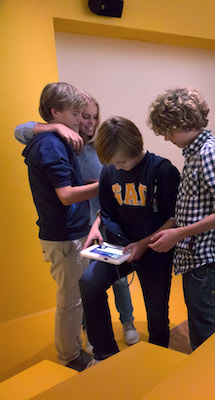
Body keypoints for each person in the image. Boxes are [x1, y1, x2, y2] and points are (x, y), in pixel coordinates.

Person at [14, 92, 140, 350]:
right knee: (85, 286)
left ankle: (128, 323)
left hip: (104, 222)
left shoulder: (100, 146)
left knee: (116, 278)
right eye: (84, 116)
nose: (90, 122)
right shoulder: (60, 143)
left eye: (95, 117)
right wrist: (56, 126)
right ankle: (88, 333)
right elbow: (20, 130)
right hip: (80, 226)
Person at [80, 116, 180, 366]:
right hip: (119, 248)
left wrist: (144, 243)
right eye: (113, 162)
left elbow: (176, 217)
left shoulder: (163, 170)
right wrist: (96, 227)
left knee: (157, 311)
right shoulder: (110, 171)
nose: (118, 166)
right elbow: (107, 210)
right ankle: (104, 353)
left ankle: (158, 358)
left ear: (136, 147)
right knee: (89, 283)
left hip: (155, 250)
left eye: (122, 161)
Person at [147, 87, 215, 350]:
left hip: (204, 258)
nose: (165, 137)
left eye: (168, 130)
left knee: (204, 327)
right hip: (196, 257)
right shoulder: (195, 152)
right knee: (205, 318)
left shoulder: (209, 153)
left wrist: (179, 234)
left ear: (183, 122)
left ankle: (208, 380)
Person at [22, 82, 99, 371]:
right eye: (77, 113)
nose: (82, 120)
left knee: (77, 297)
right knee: (70, 302)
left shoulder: (54, 140)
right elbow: (65, 195)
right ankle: (71, 357)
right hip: (64, 236)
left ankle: (80, 349)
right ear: (56, 112)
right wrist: (103, 187)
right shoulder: (51, 144)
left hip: (70, 232)